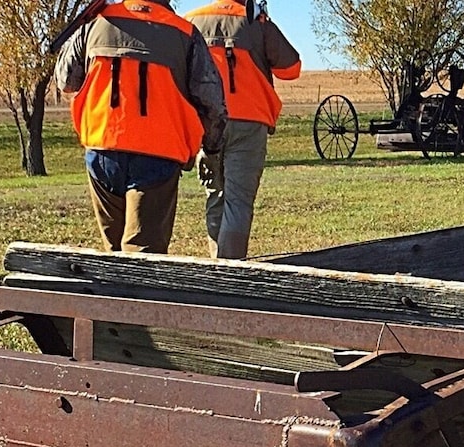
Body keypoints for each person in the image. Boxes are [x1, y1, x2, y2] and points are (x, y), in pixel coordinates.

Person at [55, 0, 229, 254]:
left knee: (112, 255)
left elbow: (66, 80)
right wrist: (212, 149)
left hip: (102, 149)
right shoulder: (184, 33)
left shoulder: (95, 22)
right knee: (143, 257)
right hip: (159, 155)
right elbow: (212, 103)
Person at [185, 0, 303, 259]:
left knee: (215, 195)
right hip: (250, 122)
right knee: (237, 202)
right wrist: (265, 26)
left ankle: (218, 265)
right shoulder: (255, 22)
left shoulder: (191, 20)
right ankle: (230, 272)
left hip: (206, 122)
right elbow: (291, 68)